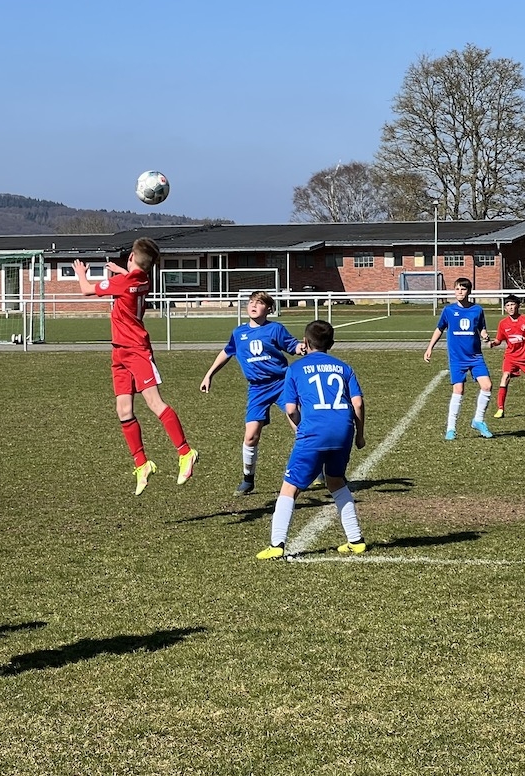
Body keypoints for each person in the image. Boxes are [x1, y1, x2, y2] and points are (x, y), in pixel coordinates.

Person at [73, 239, 199, 494]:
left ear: (131, 256)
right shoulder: (143, 279)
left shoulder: (124, 282)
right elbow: (132, 279)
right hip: (119, 351)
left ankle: (186, 452)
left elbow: (86, 290)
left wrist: (80, 274)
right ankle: (142, 464)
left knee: (154, 402)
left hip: (136, 351)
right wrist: (121, 271)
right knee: (123, 409)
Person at [257, 319, 367, 558]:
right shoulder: (344, 368)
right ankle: (356, 540)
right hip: (343, 430)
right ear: (332, 344)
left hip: (314, 432)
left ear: (305, 342)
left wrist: (299, 428)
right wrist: (360, 434)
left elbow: (290, 409)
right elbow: (357, 404)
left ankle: (276, 545)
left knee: (290, 488)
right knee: (336, 481)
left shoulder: (295, 369)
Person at [199, 290, 300, 496]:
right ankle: (248, 479)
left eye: (259, 302)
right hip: (257, 389)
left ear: (269, 309)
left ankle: (317, 469)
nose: (253, 305)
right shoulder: (239, 333)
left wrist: (304, 347)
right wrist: (209, 375)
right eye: (251, 302)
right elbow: (226, 352)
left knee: (299, 426)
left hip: (282, 384)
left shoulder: (275, 329)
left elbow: (293, 346)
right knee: (251, 436)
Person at [424, 277, 494, 440]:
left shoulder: (477, 310)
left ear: (469, 291)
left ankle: (478, 420)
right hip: (457, 358)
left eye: (463, 289)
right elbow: (439, 329)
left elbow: (482, 328)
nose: (460, 292)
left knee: (487, 386)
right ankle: (451, 428)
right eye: (457, 289)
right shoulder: (448, 310)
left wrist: (484, 335)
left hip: (475, 356)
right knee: (458, 390)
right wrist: (430, 347)